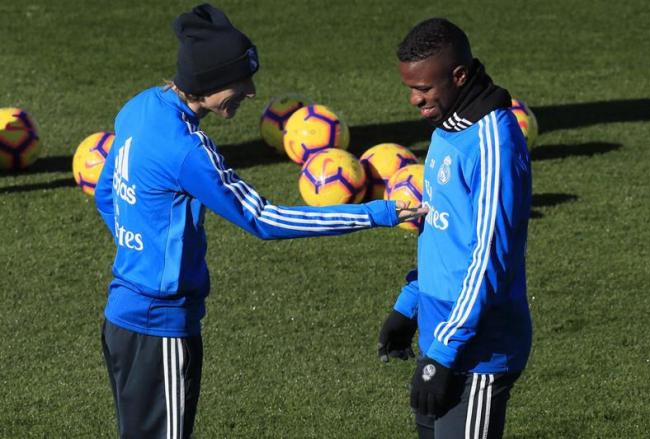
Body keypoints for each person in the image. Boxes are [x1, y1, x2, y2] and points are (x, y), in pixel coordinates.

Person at [94, 4, 426, 438]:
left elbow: (106, 194)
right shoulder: (188, 149)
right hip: (162, 330)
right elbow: (265, 219)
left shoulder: (138, 108)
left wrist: (139, 246)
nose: (250, 92)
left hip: (120, 319)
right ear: (209, 81)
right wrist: (377, 212)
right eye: (240, 80)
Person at [377, 18, 532, 439]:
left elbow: (488, 260)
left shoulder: (493, 144)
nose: (414, 100)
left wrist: (444, 354)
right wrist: (411, 302)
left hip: (479, 351)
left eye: (424, 89)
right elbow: (444, 234)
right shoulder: (449, 128)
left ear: (459, 76)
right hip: (440, 331)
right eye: (410, 88)